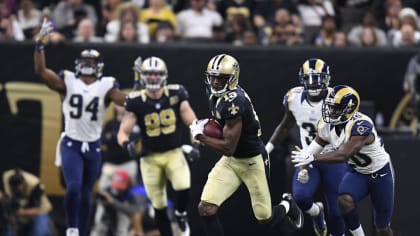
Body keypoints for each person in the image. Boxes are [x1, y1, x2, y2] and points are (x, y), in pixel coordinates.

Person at [189, 54, 304, 236]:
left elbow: (228, 148)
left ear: (232, 78)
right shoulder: (215, 94)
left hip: (251, 161)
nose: (216, 83)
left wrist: (201, 136)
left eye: (221, 78)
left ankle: (287, 205)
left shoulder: (234, 102)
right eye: (213, 77)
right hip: (232, 161)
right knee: (206, 208)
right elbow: (224, 129)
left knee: (265, 219)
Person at [34, 19, 127, 236]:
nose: (88, 65)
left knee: (87, 193)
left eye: (92, 62)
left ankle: (83, 231)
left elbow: (125, 100)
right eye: (85, 61)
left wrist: (141, 90)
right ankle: (72, 228)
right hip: (71, 143)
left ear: (99, 66)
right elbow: (41, 71)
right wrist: (39, 45)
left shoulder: (106, 85)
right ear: (77, 63)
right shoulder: (67, 80)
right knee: (74, 187)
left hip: (93, 146)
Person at [292, 85, 395, 236]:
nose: (331, 111)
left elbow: (344, 154)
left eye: (336, 108)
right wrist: (304, 166)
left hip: (380, 174)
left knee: (382, 227)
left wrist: (313, 158)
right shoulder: (326, 125)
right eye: (330, 107)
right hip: (358, 172)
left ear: (349, 109)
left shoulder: (361, 125)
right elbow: (315, 146)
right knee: (343, 200)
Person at [118, 56, 199, 236]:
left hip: (173, 153)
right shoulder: (136, 100)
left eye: (156, 74)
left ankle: (180, 213)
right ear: (143, 76)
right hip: (149, 158)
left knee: (183, 186)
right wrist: (127, 144)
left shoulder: (176, 94)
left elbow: (193, 123)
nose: (153, 78)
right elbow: (122, 132)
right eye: (149, 74)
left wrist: (196, 144)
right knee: (159, 206)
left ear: (164, 75)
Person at [265, 58, 347, 235]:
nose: (313, 84)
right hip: (308, 158)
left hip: (333, 158)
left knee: (337, 210)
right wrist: (267, 150)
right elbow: (285, 125)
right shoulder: (293, 98)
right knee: (301, 197)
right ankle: (318, 213)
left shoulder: (336, 99)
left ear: (326, 79)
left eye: (317, 79)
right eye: (309, 79)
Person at [90, 170, 146, 236]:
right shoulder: (118, 191)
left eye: (120, 187)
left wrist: (112, 201)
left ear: (128, 183)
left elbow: (135, 212)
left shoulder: (137, 192)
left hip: (149, 221)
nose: (118, 190)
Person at [2, 168, 53, 236]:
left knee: (41, 233)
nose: (15, 190)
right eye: (13, 188)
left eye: (17, 188)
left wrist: (19, 212)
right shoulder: (6, 176)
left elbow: (37, 210)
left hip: (38, 212)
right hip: (16, 211)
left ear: (23, 183)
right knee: (8, 232)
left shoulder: (34, 184)